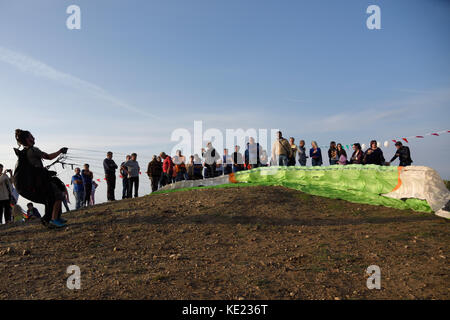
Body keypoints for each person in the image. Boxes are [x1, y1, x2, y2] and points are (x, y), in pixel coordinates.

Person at [14, 129, 68, 228]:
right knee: (56, 195)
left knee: (55, 194)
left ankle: (55, 218)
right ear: (27, 139)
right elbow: (48, 157)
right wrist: (60, 151)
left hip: (31, 183)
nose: (33, 138)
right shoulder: (33, 150)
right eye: (31, 137)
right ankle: (53, 219)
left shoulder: (24, 152)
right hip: (38, 181)